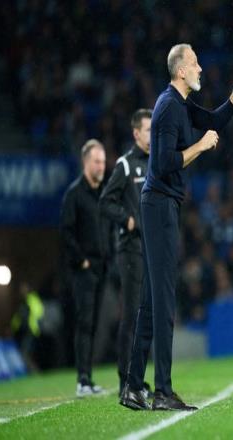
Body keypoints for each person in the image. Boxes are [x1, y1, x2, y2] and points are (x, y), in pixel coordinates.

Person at [120, 43, 233, 411]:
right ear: (181, 71)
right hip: (158, 204)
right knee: (164, 300)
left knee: (152, 300)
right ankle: (162, 391)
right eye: (195, 63)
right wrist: (199, 147)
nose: (201, 68)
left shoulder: (180, 104)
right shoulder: (169, 106)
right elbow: (164, 163)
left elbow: (214, 121)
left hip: (162, 204)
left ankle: (133, 387)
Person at [99, 108, 153, 396]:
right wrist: (128, 220)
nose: (153, 135)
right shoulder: (125, 165)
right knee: (132, 315)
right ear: (136, 133)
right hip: (130, 250)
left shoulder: (155, 162)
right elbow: (105, 202)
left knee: (146, 317)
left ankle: (137, 378)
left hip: (150, 250)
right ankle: (125, 381)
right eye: (148, 131)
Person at [61, 139, 111, 397]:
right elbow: (66, 233)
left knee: (93, 325)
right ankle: (82, 379)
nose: (101, 166)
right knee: (84, 323)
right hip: (84, 270)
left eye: (103, 161)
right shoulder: (74, 194)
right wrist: (82, 260)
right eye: (96, 161)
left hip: (101, 268)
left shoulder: (103, 193)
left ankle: (88, 379)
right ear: (85, 162)